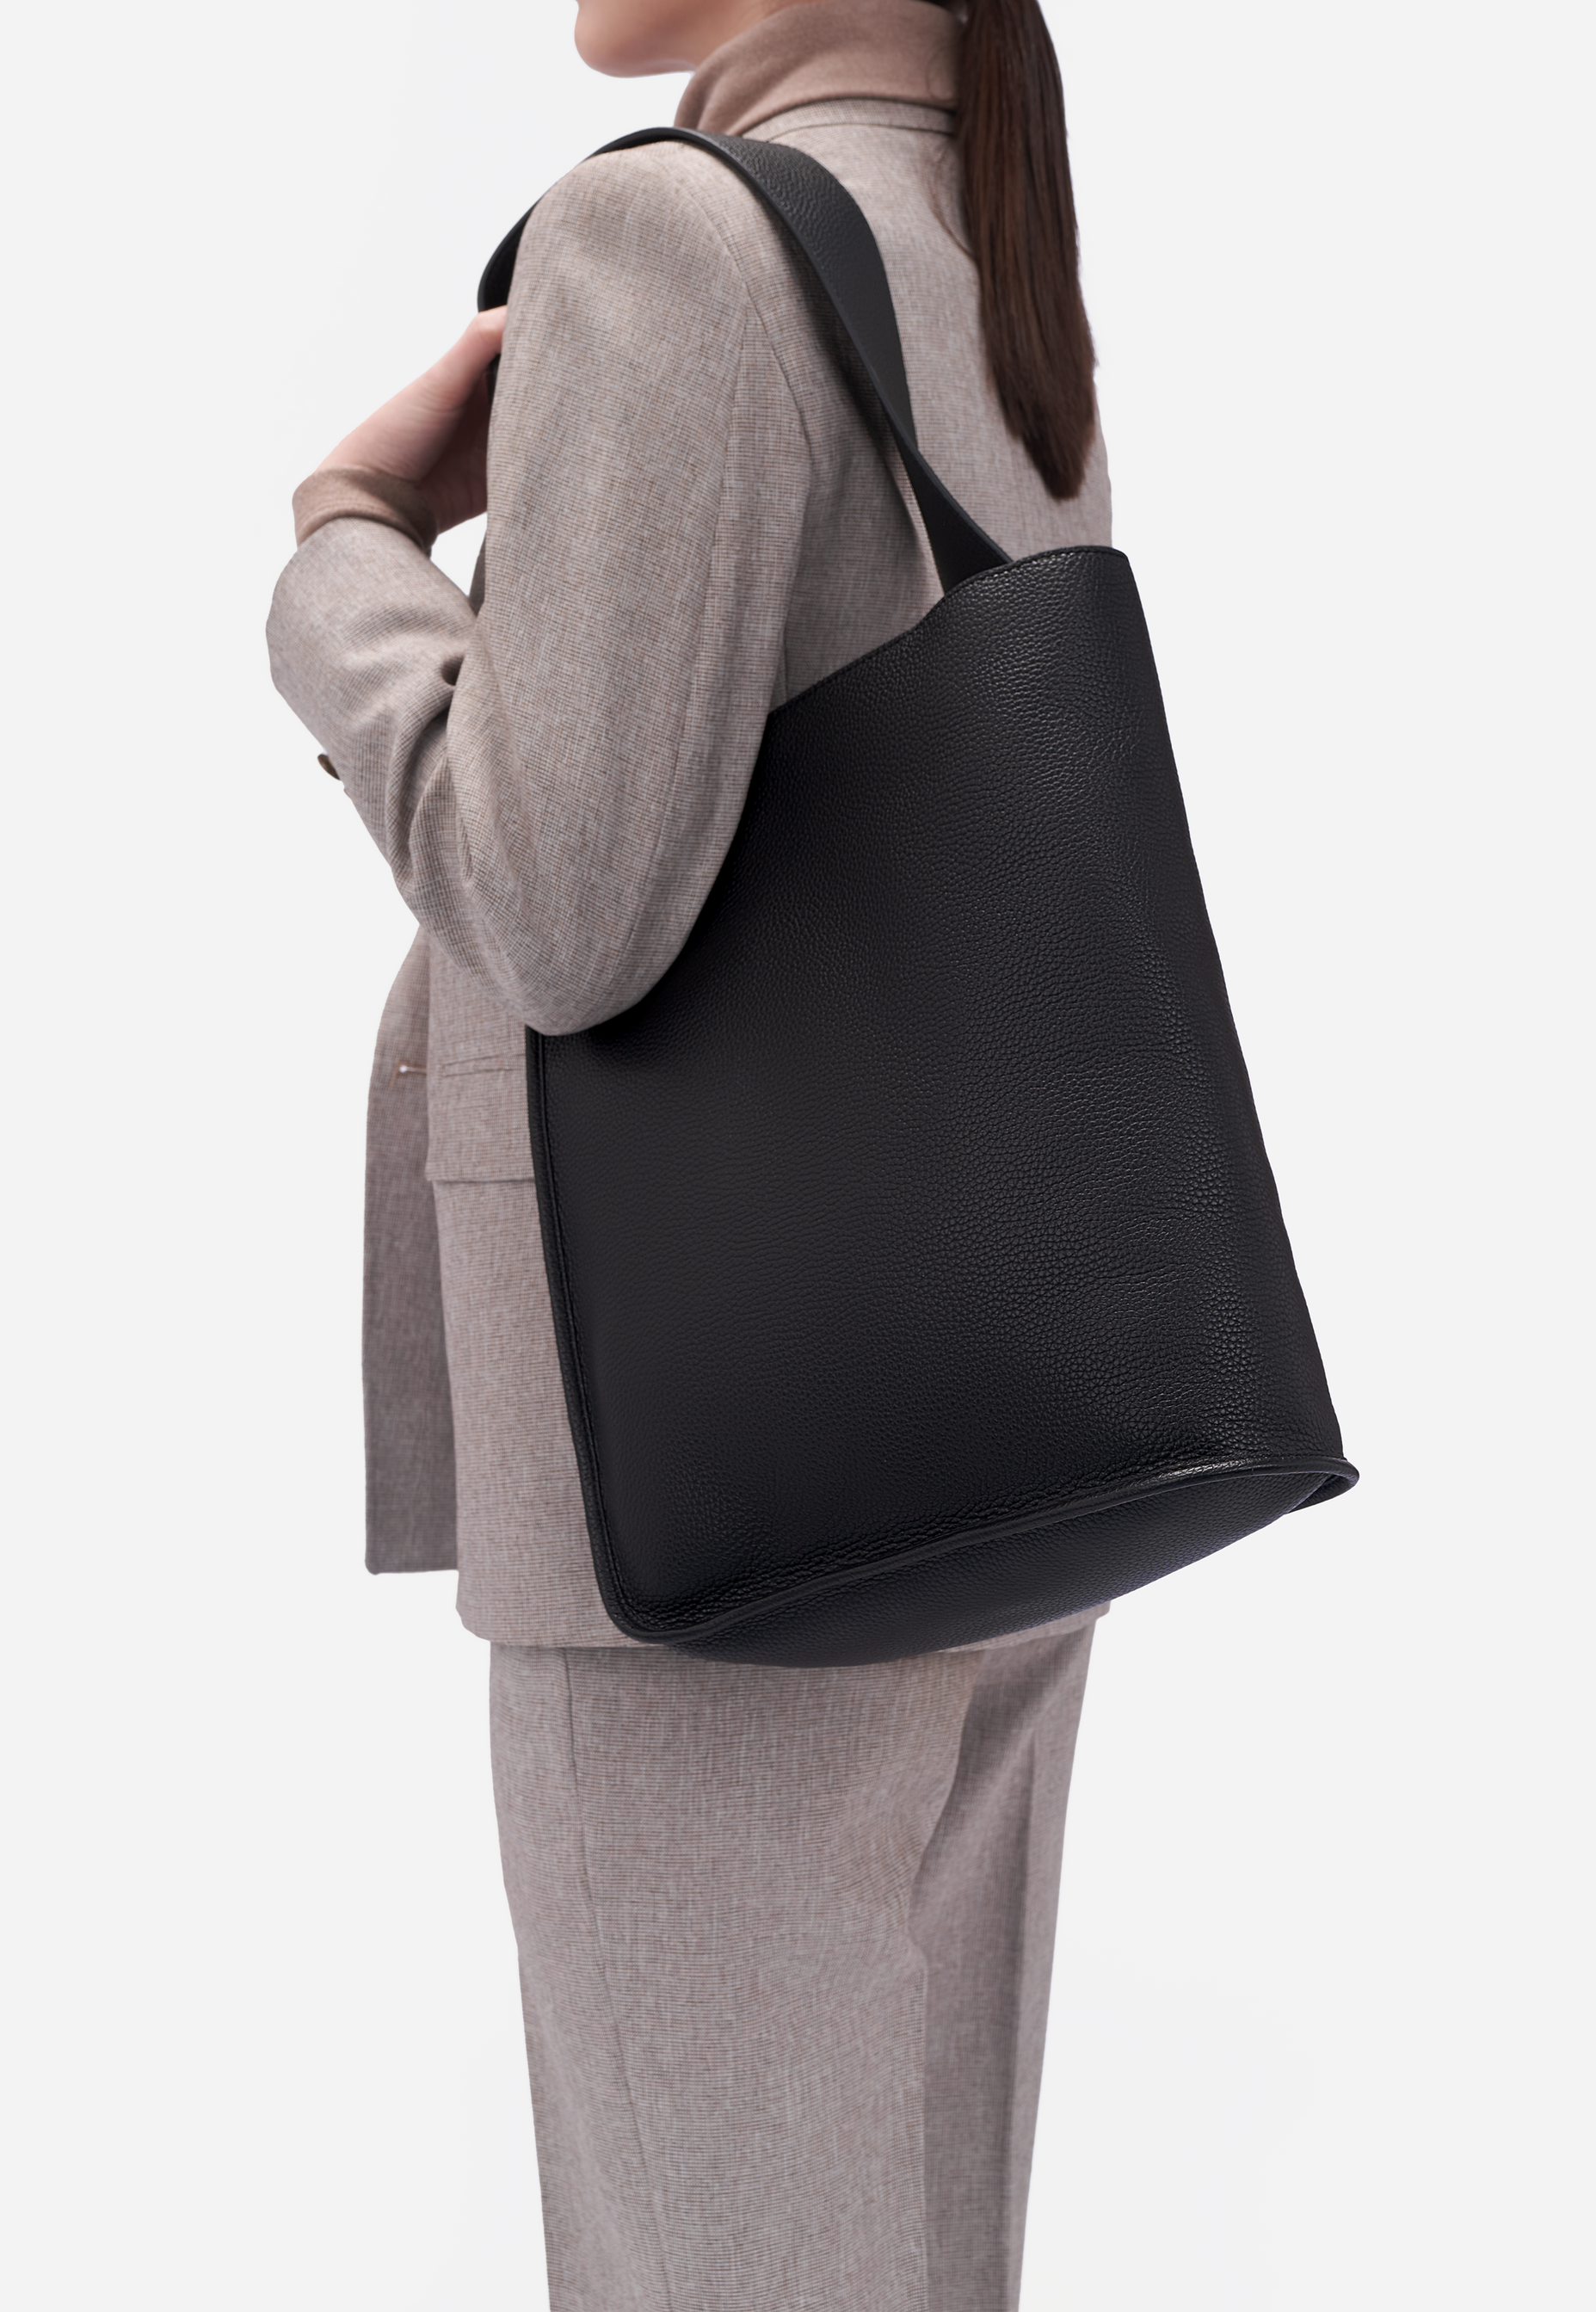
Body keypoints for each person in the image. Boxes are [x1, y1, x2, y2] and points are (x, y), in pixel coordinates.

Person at [268, 2, 1114, 2304]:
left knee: (715, 2251)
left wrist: (347, 552)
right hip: (1004, 1424)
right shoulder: (974, 232)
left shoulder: (676, 243)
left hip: (701, 1497)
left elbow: (556, 906)